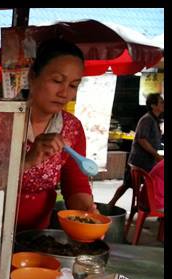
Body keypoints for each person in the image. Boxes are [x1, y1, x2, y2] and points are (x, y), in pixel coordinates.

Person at [16, 39, 96, 231]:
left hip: (38, 232)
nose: (64, 93)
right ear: (33, 76)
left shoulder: (71, 127)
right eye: (57, 81)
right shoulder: (1, 121)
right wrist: (26, 161)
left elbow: (75, 183)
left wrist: (86, 211)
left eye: (74, 85)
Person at [108, 93, 164, 207]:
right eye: (161, 102)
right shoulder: (147, 119)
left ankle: (146, 206)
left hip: (148, 160)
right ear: (153, 105)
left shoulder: (155, 120)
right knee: (129, 184)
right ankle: (113, 205)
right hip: (139, 161)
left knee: (141, 184)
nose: (163, 104)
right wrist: (156, 155)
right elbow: (142, 139)